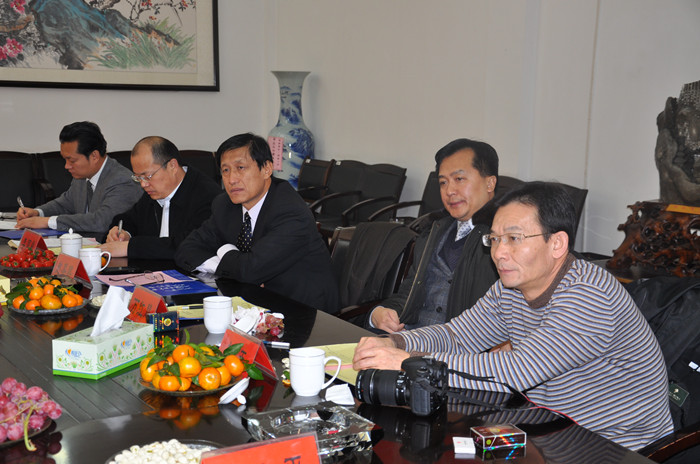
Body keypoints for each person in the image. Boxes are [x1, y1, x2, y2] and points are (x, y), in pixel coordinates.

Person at [353, 182, 674, 451]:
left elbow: (516, 372)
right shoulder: (512, 287)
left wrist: (408, 361)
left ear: (557, 243)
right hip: (546, 426)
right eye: (494, 239)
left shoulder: (589, 296)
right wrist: (396, 342)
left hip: (612, 446)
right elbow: (458, 336)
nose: (498, 252)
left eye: (514, 238)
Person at [175, 133, 339, 313]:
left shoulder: (290, 211)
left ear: (266, 169)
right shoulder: (225, 205)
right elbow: (187, 249)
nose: (232, 179)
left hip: (304, 311)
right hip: (254, 302)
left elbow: (249, 271)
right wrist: (223, 265)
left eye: (241, 168)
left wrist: (225, 251)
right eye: (225, 170)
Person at [367, 138, 499, 333]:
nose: (449, 191)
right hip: (410, 337)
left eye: (459, 179)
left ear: (490, 183)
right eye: (443, 182)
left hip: (462, 347)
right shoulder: (433, 231)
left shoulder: (505, 239)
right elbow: (408, 295)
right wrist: (378, 314)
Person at [101, 136, 222, 260]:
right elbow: (129, 219)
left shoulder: (208, 196)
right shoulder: (155, 191)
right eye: (138, 178)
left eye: (147, 176)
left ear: (172, 166)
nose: (143, 184)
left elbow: (189, 245)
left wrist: (130, 247)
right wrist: (123, 232)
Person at [15, 121, 142, 237]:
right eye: (65, 160)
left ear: (94, 156)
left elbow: (102, 222)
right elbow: (65, 203)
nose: (66, 166)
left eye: (72, 160)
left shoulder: (122, 180)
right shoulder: (82, 176)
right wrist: (38, 213)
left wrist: (47, 222)